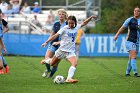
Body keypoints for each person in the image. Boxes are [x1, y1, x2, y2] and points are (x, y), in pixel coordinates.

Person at [41, 15, 97, 83]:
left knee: (75, 63)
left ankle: (69, 78)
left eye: (72, 23)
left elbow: (84, 23)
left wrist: (90, 18)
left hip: (70, 52)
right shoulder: (64, 28)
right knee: (52, 63)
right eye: (69, 23)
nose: (70, 24)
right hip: (61, 51)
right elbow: (55, 35)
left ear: (75, 22)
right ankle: (46, 61)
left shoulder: (77, 27)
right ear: (67, 22)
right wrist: (46, 42)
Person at [40, 9, 68, 78]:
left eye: (62, 14)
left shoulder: (68, 24)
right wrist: (46, 42)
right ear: (58, 15)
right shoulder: (56, 23)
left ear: (65, 15)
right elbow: (52, 34)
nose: (61, 15)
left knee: (55, 64)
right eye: (60, 14)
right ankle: (48, 70)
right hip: (53, 44)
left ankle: (51, 75)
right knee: (47, 59)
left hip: (61, 46)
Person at [114, 6, 140, 77]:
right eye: (135, 11)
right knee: (133, 56)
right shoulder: (130, 20)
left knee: (131, 57)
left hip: (137, 42)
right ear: (133, 11)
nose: (136, 12)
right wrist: (116, 35)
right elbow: (122, 28)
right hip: (129, 40)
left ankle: (127, 73)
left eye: (138, 11)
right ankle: (135, 73)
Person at [0, 9, 9, 74]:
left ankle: (1, 69)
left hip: (0, 38)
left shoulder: (2, 21)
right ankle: (5, 66)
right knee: (0, 54)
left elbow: (8, 28)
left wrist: (3, 32)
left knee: (0, 54)